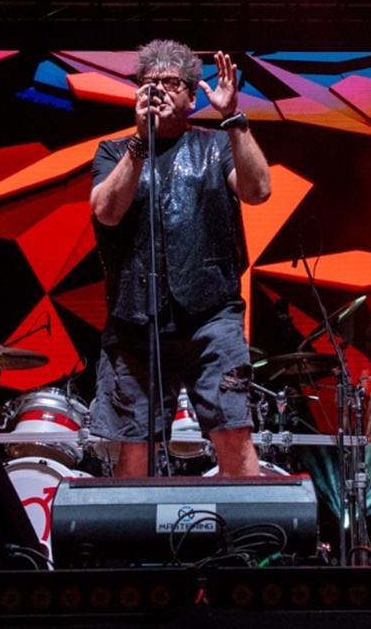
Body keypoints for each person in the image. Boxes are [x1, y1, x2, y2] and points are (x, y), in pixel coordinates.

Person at [88, 41, 273, 477]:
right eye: (149, 83)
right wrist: (140, 140)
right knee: (135, 447)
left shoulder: (217, 145)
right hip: (135, 321)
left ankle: (247, 524)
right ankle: (135, 525)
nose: (159, 91)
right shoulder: (113, 151)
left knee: (234, 433)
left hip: (212, 316)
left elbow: (258, 191)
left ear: (192, 96)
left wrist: (234, 119)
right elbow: (107, 212)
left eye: (171, 82)